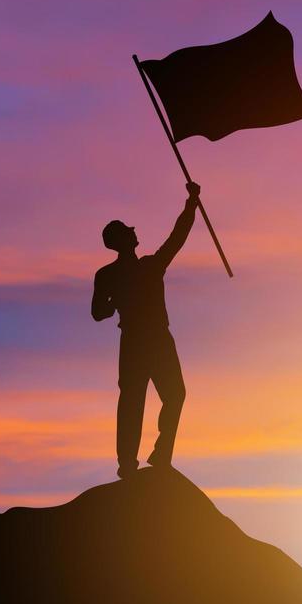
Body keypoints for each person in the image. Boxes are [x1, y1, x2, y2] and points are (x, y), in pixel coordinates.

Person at [92, 181, 201, 479]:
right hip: (142, 340)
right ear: (123, 239)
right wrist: (190, 204)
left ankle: (155, 456)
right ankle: (131, 463)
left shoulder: (142, 267)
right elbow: (97, 312)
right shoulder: (118, 273)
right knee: (134, 400)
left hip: (152, 339)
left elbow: (177, 237)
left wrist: (191, 205)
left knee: (169, 394)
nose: (134, 231)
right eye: (129, 230)